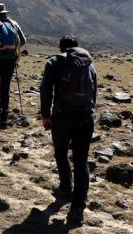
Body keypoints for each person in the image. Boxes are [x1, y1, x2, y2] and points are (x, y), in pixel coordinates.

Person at [39, 36, 97, 226]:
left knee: (61, 151)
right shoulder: (88, 62)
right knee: (81, 161)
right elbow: (94, 90)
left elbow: (46, 89)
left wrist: (46, 115)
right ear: (76, 48)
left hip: (63, 116)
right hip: (86, 116)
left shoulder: (55, 61)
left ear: (61, 47)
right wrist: (89, 111)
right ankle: (78, 208)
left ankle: (65, 188)